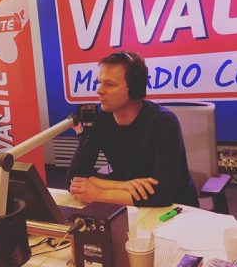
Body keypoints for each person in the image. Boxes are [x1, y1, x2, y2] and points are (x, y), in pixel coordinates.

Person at [67, 51, 199, 207]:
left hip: (176, 208)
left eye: (109, 84)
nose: (99, 90)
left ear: (135, 88)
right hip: (126, 202)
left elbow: (162, 194)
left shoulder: (163, 122)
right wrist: (122, 185)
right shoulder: (98, 117)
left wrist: (99, 194)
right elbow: (74, 177)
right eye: (99, 82)